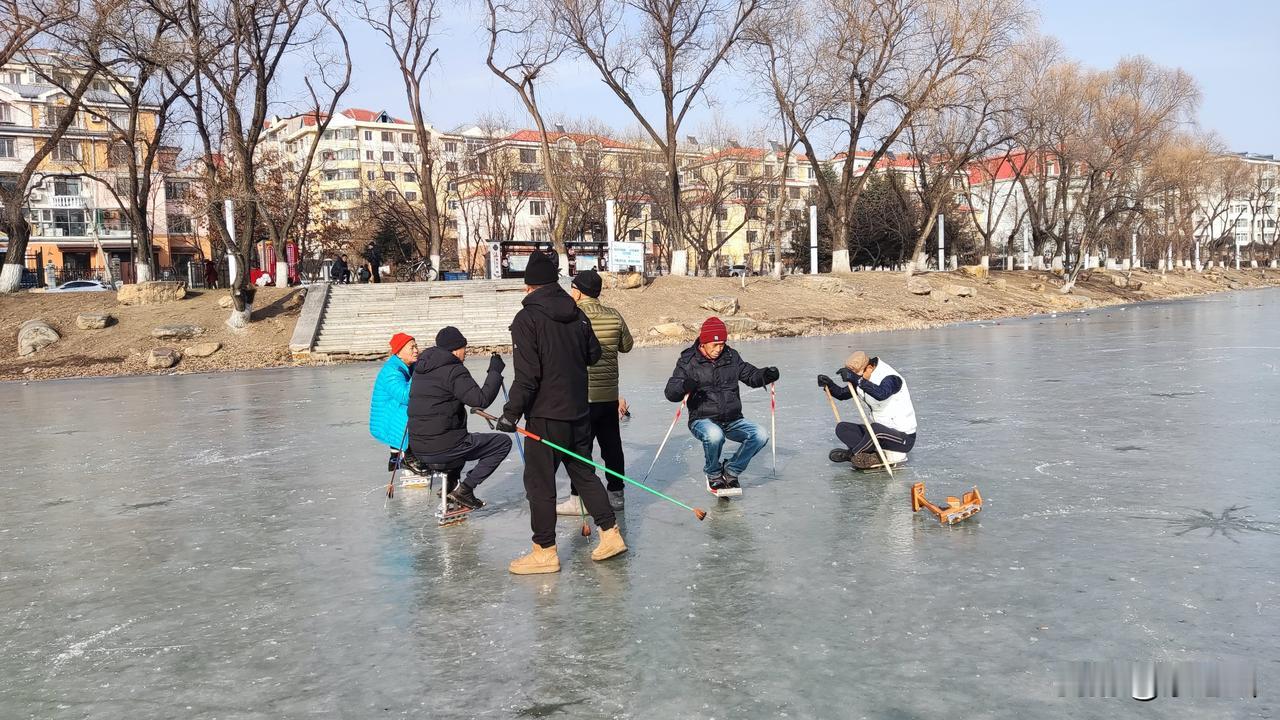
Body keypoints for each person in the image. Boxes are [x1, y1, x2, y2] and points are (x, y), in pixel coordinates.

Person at [496, 251, 626, 574]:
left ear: (529, 286)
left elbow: (528, 377)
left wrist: (511, 413)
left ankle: (544, 551)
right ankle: (610, 533)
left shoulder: (526, 320)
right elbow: (594, 355)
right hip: (579, 411)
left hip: (545, 416)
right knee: (584, 474)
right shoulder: (578, 315)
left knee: (539, 483)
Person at [664, 317, 778, 496]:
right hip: (702, 419)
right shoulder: (688, 361)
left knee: (760, 435)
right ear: (704, 342)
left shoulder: (731, 357)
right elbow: (670, 392)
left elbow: (750, 375)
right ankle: (714, 474)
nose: (719, 349)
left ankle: (731, 471)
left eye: (722, 344)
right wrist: (684, 386)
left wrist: (766, 375)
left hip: (732, 419)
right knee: (714, 435)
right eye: (714, 345)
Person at [407, 326, 513, 510]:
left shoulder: (421, 370)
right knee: (501, 443)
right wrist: (494, 372)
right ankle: (465, 489)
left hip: (417, 449)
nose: (466, 353)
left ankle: (450, 487)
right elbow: (480, 400)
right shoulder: (453, 370)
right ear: (456, 350)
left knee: (459, 441)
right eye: (465, 348)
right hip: (443, 448)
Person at [556, 269, 633, 514]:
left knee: (581, 449)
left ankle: (579, 498)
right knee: (612, 446)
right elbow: (627, 346)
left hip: (580, 397)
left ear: (578, 292)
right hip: (608, 396)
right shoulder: (614, 316)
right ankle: (616, 495)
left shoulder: (571, 317)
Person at [817, 350, 917, 469]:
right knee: (842, 428)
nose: (857, 379)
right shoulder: (863, 377)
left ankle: (852, 455)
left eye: (858, 376)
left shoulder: (892, 378)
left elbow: (881, 394)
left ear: (869, 367)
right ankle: (872, 455)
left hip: (902, 438)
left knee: (875, 429)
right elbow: (842, 394)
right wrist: (829, 385)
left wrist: (857, 380)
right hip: (879, 435)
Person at [369, 332, 429, 476]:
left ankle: (397, 456)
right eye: (411, 347)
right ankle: (408, 457)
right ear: (399, 352)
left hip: (393, 410)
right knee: (415, 410)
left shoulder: (407, 365)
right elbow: (406, 396)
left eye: (416, 346)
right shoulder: (392, 371)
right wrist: (418, 374)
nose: (416, 350)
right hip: (386, 417)